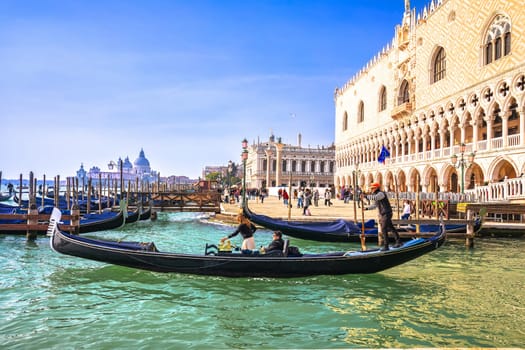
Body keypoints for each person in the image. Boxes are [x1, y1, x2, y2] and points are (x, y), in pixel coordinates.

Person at [362, 182, 401, 251]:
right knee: (391, 227)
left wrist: (365, 196)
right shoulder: (376, 195)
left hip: (387, 213)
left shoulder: (380, 193)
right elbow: (375, 205)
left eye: (372, 188)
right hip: (383, 214)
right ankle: (398, 242)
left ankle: (386, 246)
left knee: (383, 228)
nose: (371, 189)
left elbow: (375, 197)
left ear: (376, 188)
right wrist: (367, 208)